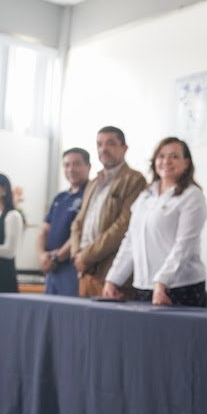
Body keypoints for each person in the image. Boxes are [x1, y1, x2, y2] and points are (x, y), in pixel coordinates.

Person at [102, 137, 207, 306]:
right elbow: (130, 241)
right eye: (161, 156)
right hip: (144, 286)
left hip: (179, 287)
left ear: (186, 163)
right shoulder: (145, 196)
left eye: (174, 156)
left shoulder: (192, 195)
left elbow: (184, 245)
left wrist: (162, 281)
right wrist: (113, 279)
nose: (166, 161)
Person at [69, 126, 147, 297]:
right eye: (99, 144)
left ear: (124, 148)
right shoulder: (93, 183)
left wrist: (86, 256)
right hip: (85, 272)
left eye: (110, 143)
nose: (103, 149)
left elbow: (123, 226)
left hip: (113, 276)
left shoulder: (135, 180)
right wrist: (76, 255)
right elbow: (78, 222)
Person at [37, 148, 90, 296]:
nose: (71, 169)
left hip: (71, 266)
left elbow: (82, 231)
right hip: (52, 268)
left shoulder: (90, 194)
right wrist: (42, 256)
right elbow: (44, 230)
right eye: (66, 165)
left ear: (88, 166)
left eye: (76, 164)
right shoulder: (60, 197)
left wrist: (58, 256)